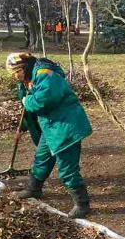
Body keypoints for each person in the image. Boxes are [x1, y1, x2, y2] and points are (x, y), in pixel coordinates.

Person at [6, 52, 92, 218]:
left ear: (22, 67)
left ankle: (82, 204)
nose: (15, 77)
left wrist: (26, 101)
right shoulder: (29, 78)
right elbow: (30, 109)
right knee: (42, 157)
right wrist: (23, 127)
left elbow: (41, 101)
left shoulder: (45, 74)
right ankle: (34, 189)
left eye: (15, 73)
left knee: (67, 167)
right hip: (51, 125)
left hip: (65, 125)